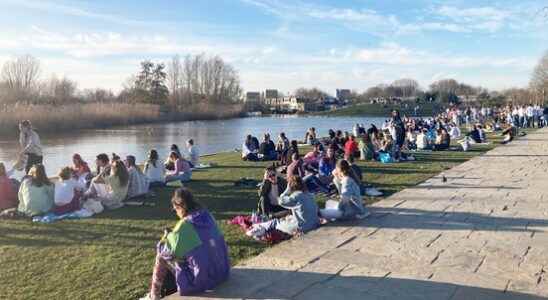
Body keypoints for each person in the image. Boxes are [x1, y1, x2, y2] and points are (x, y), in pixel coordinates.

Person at [139, 188, 230, 300]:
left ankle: (154, 295)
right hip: (222, 271)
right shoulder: (208, 216)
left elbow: (166, 251)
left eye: (175, 209)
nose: (176, 213)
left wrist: (165, 238)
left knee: (161, 256)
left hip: (203, 281)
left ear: (180, 207)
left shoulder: (184, 225)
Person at [246, 176, 320, 239]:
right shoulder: (310, 195)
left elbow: (280, 201)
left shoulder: (296, 196)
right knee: (288, 217)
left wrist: (287, 190)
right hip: (314, 224)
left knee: (275, 222)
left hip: (302, 228)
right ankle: (262, 226)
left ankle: (257, 228)